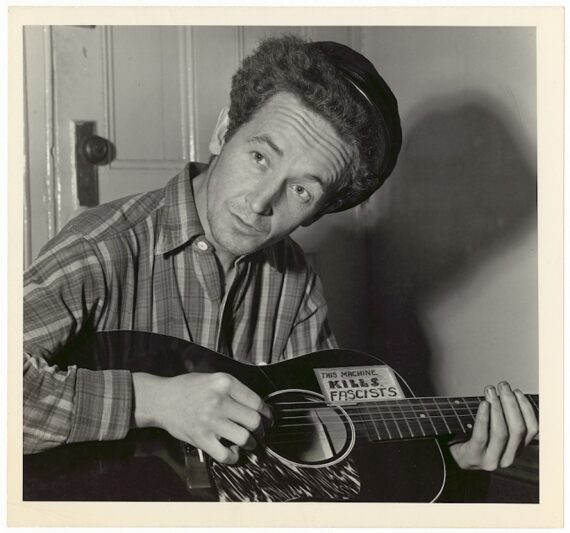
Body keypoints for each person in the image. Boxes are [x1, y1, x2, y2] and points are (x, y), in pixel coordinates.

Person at [24, 35, 537, 472]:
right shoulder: (102, 247)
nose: (260, 201)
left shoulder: (295, 279)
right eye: (259, 156)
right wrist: (153, 400)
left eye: (302, 190)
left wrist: (451, 458)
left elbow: (323, 430)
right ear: (223, 131)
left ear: (318, 212)